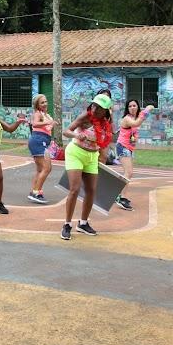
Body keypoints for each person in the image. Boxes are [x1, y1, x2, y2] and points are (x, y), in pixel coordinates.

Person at [60, 93, 113, 240]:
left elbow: (105, 141)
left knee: (91, 191)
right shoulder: (86, 116)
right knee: (74, 189)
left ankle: (82, 223)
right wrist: (76, 135)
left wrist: (102, 158)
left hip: (92, 156)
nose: (95, 109)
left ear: (106, 111)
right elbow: (66, 131)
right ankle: (67, 224)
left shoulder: (107, 122)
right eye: (94, 105)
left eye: (100, 107)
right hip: (76, 153)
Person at [114, 100, 154, 211]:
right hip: (123, 147)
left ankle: (121, 196)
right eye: (130, 106)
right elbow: (136, 124)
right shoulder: (127, 119)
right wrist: (146, 110)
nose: (132, 107)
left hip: (129, 148)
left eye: (134, 105)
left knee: (129, 173)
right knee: (129, 172)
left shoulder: (134, 118)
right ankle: (122, 198)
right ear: (127, 108)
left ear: (137, 107)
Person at [27, 94, 59, 204]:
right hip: (38, 141)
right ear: (37, 105)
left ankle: (34, 191)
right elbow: (34, 124)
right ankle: (36, 192)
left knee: (40, 169)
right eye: (42, 102)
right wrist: (49, 122)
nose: (45, 104)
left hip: (42, 141)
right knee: (47, 168)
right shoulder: (37, 114)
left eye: (45, 101)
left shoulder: (45, 115)